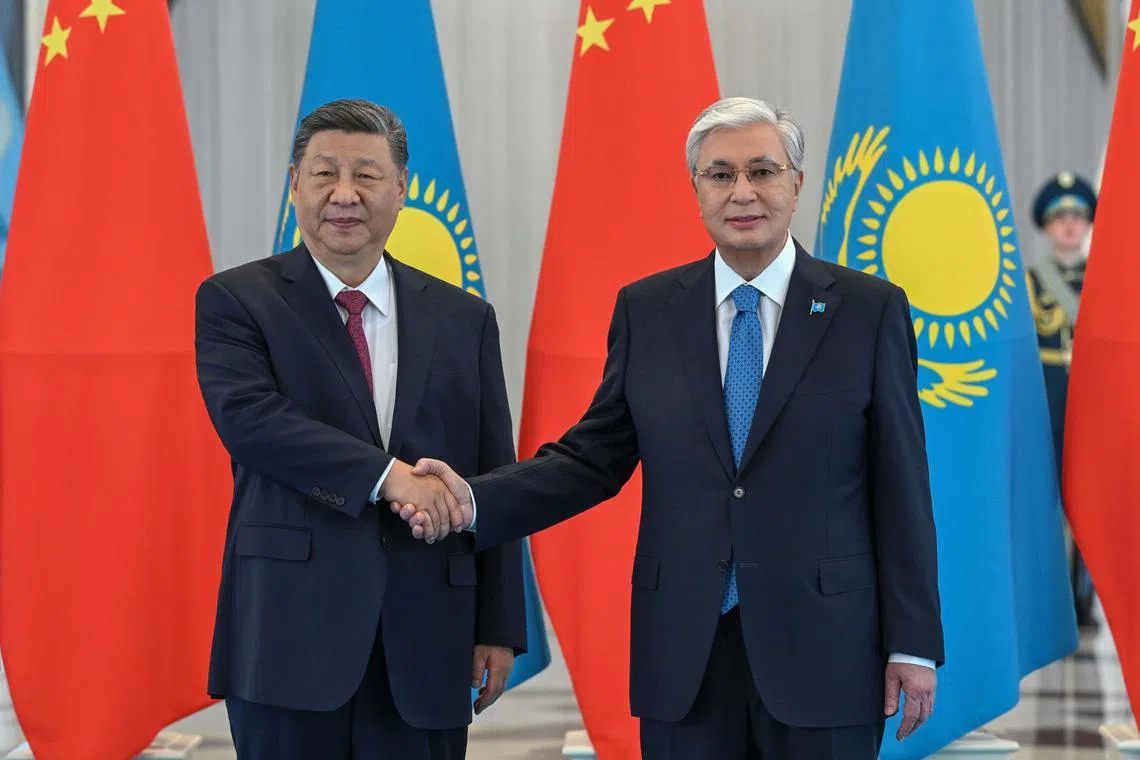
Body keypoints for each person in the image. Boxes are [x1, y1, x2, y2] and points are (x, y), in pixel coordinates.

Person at [394, 97, 944, 759]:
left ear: (797, 186)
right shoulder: (649, 310)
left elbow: (901, 486)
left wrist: (912, 641)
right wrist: (473, 499)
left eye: (763, 171)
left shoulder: (867, 310)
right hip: (686, 652)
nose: (742, 191)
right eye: (719, 175)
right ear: (697, 190)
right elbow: (591, 459)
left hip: (827, 649)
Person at [194, 98, 527, 760]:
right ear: (294, 185)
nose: (344, 195)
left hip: (431, 634)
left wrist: (499, 624)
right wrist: (388, 476)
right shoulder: (236, 301)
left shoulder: (465, 318)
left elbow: (494, 473)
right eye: (324, 174)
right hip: (289, 635)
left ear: (401, 190)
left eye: (367, 176)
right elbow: (253, 423)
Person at [1026, 170, 1098, 628]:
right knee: (1044, 498)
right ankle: (1049, 598)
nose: (1069, 225)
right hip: (1046, 399)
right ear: (1047, 226)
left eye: (1077, 217)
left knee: (1091, 498)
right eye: (1060, 218)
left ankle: (1084, 597)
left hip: (1093, 402)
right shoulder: (1028, 284)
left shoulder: (1109, 283)